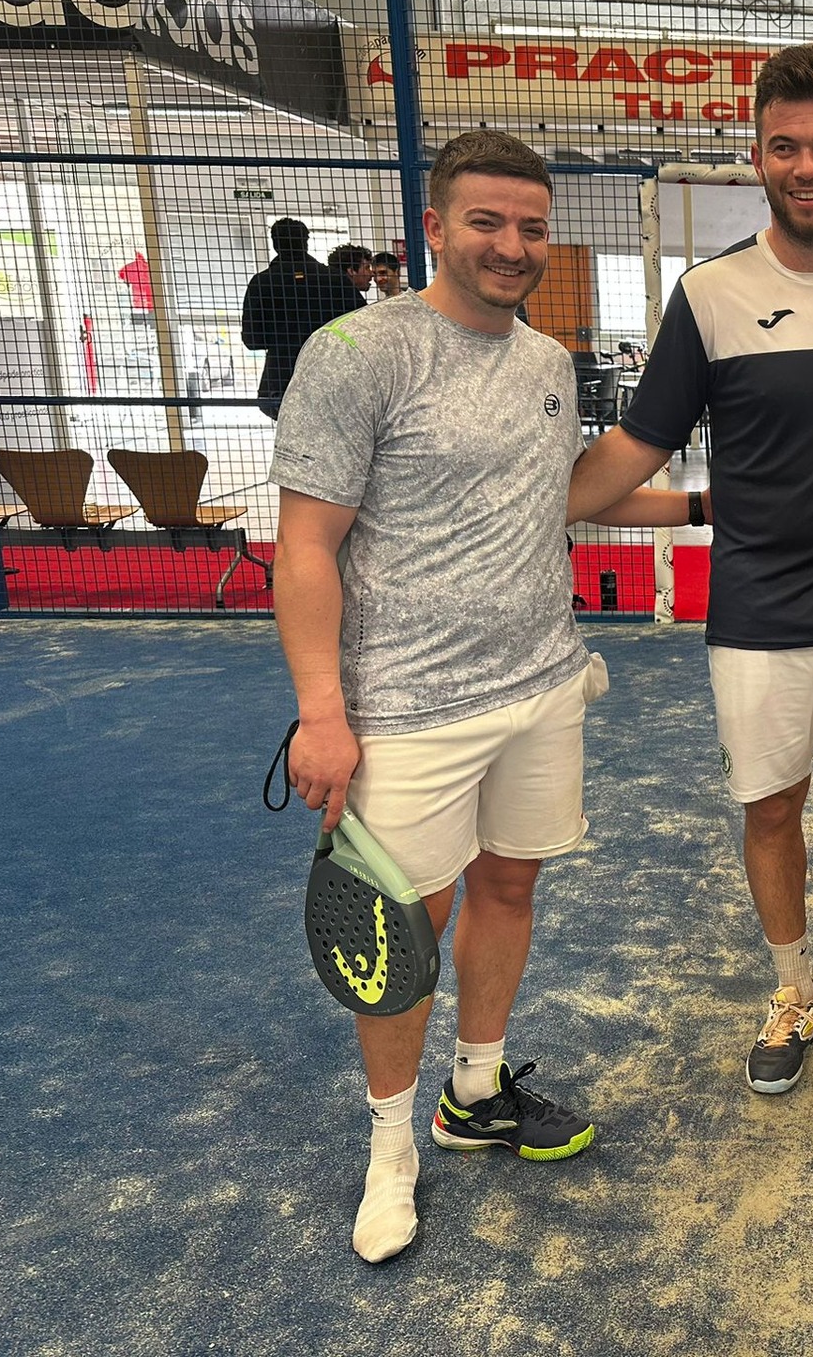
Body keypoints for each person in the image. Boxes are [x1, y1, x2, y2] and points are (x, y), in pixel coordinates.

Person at [269, 130, 692, 1264]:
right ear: (436, 229)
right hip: (405, 707)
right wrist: (322, 712)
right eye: (487, 223)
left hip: (542, 685)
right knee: (402, 934)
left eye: (531, 228)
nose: (512, 246)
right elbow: (304, 547)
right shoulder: (356, 353)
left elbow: (560, 496)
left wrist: (713, 508)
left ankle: (475, 1091)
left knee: (510, 884)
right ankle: (389, 1148)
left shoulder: (547, 363)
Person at [564, 44, 813, 1123]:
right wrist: (528, 504)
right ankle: (795, 992)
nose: (806, 166)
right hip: (755, 620)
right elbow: (636, 448)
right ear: (757, 155)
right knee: (771, 812)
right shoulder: (710, 296)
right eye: (785, 147)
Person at [240, 219, 366, 419]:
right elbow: (362, 327)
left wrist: (282, 337)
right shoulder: (335, 279)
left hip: (282, 381)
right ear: (306, 242)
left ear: (275, 244)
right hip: (332, 375)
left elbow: (252, 339)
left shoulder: (262, 283)